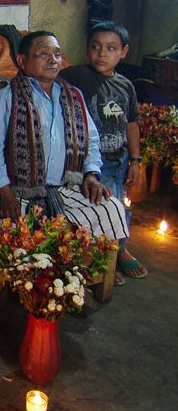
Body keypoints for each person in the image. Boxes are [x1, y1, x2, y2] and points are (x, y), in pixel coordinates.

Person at [0, 31, 128, 242]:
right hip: (21, 193)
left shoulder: (73, 96)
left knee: (111, 207)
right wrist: (4, 194)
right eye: (43, 53)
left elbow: (91, 140)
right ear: (22, 60)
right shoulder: (4, 98)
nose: (53, 60)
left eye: (57, 54)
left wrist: (91, 176)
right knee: (19, 244)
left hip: (67, 189)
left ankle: (92, 268)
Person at [60, 21, 146, 282]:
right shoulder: (76, 76)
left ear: (124, 52)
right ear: (87, 50)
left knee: (119, 207)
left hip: (118, 160)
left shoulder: (125, 86)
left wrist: (135, 159)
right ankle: (103, 259)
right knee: (101, 209)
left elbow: (131, 125)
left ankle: (119, 251)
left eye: (111, 48)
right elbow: (42, 81)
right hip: (91, 163)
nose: (102, 53)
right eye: (96, 47)